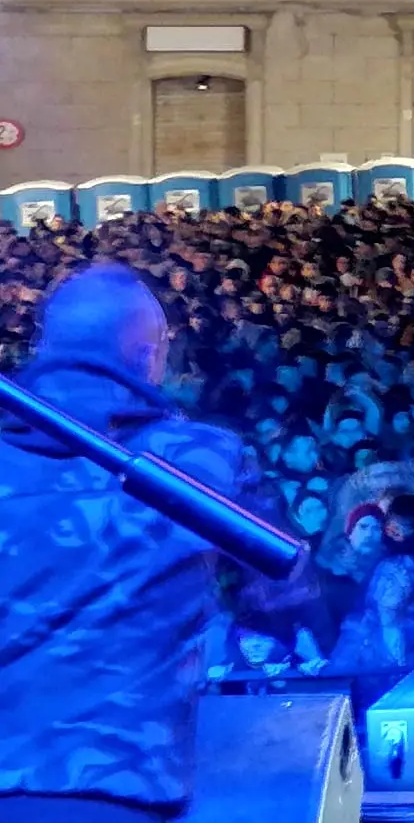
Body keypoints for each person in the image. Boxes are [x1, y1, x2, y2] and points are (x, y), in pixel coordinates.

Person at [0, 264, 250, 823]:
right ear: (146, 355)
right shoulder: (203, 459)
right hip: (118, 791)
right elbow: (283, 595)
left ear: (45, 346)